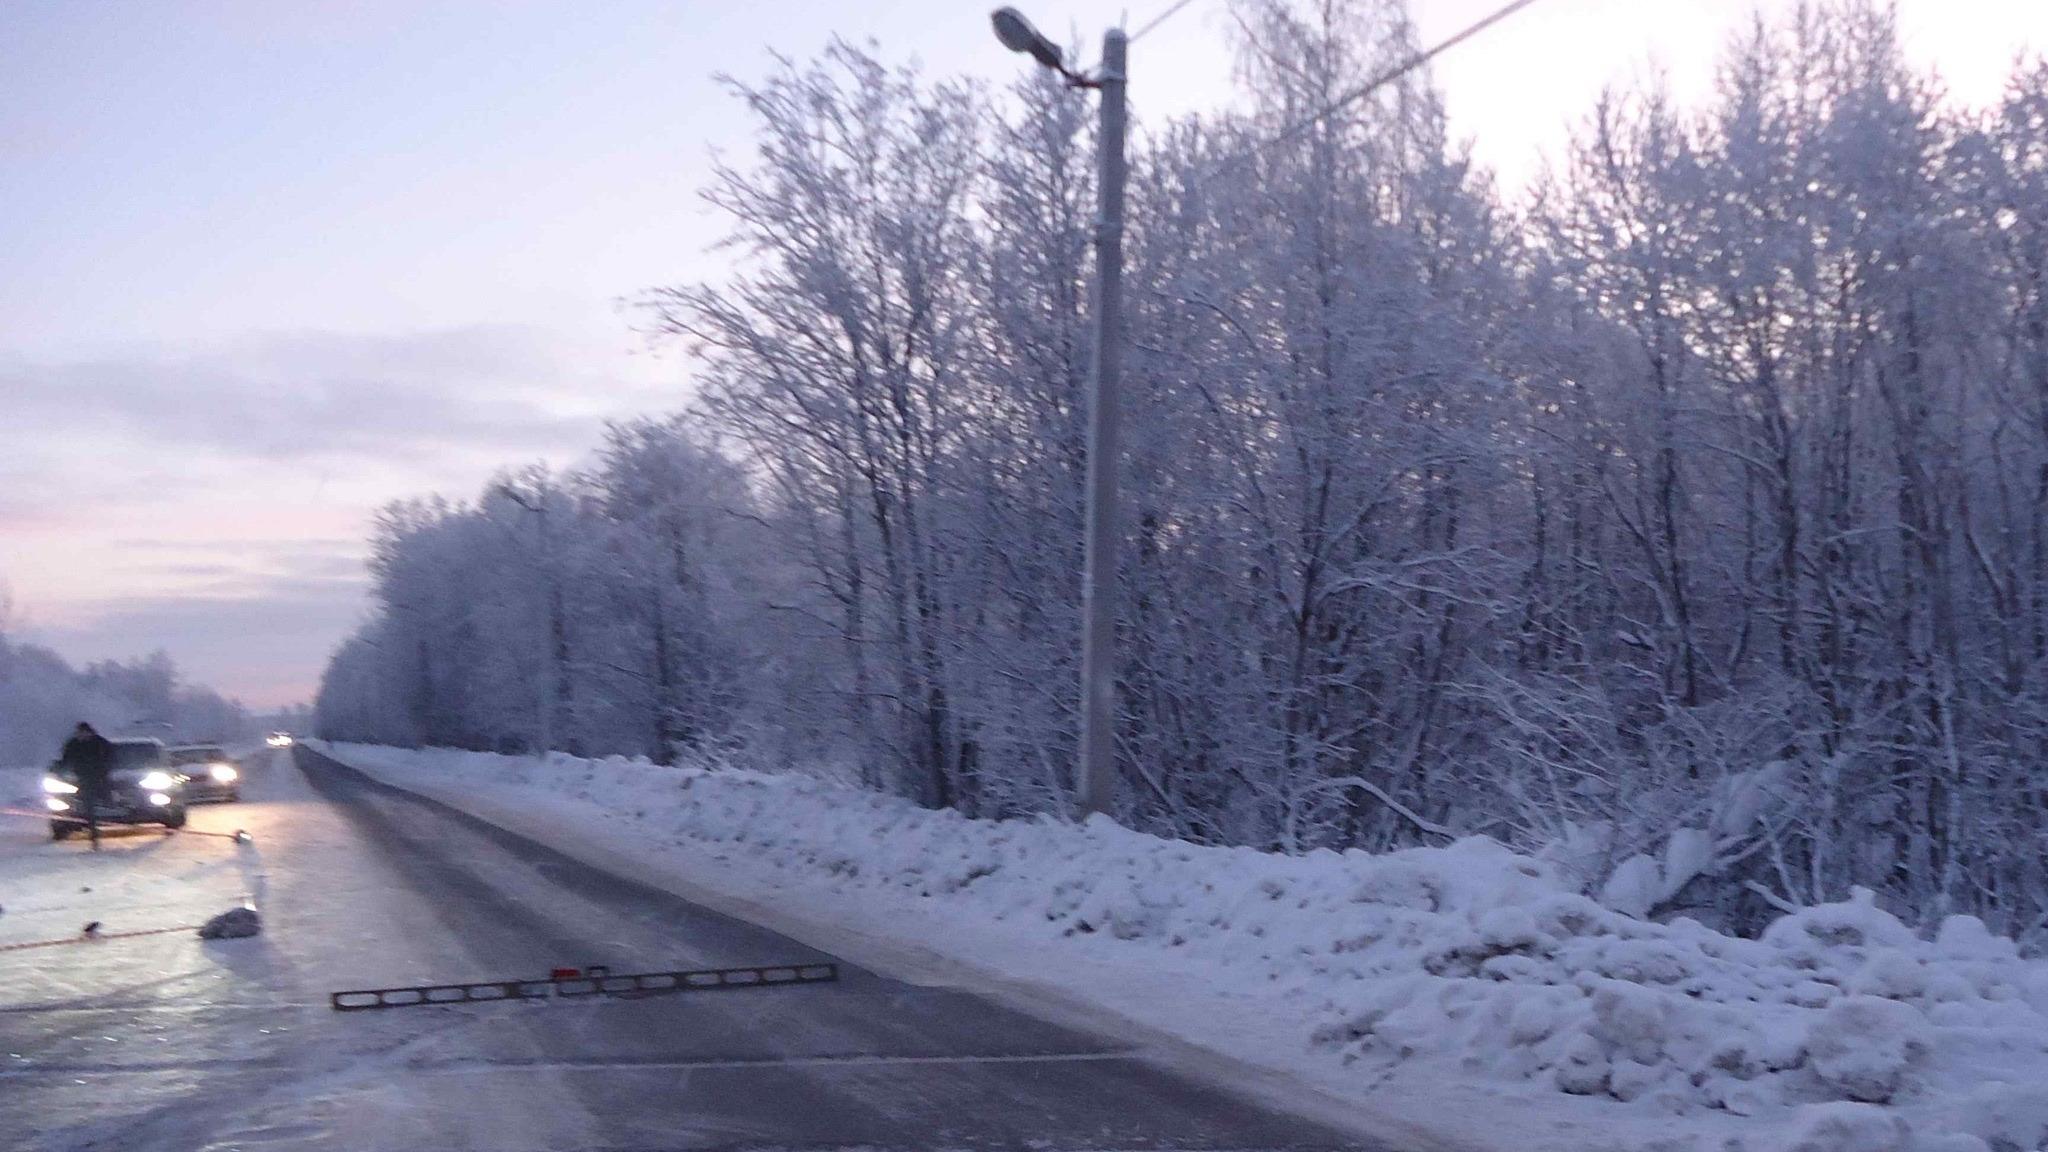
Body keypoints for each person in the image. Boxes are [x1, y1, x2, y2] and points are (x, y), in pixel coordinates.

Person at [58, 722, 114, 850]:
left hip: (100, 777)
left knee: (105, 798)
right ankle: (93, 832)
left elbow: (111, 756)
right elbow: (65, 760)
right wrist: (59, 770)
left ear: (89, 732)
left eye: (83, 733)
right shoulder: (73, 744)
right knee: (88, 804)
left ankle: (111, 808)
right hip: (83, 779)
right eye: (79, 733)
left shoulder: (100, 743)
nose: (81, 735)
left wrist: (106, 768)